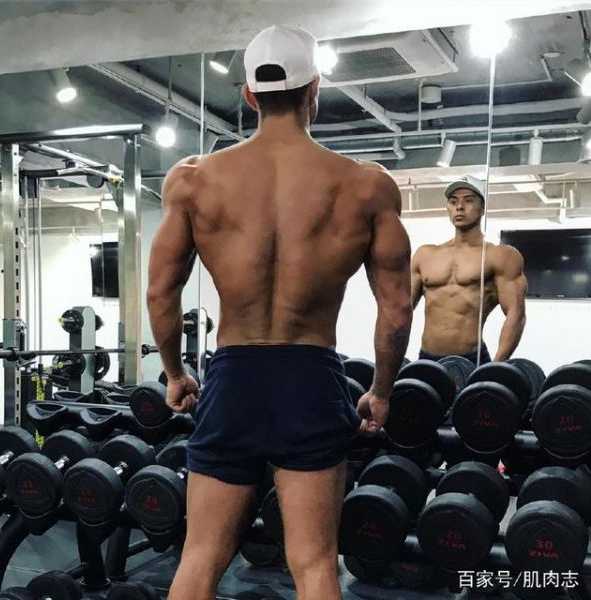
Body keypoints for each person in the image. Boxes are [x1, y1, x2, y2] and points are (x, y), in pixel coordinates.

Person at [147, 25, 412, 600]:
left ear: (248, 95)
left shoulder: (192, 181)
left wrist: (174, 373)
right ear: (315, 89)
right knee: (314, 566)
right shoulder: (366, 186)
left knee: (199, 558)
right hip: (310, 377)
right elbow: (395, 306)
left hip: (233, 376)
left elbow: (161, 292)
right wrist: (382, 391)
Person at [411, 175, 527, 364]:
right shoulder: (425, 255)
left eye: (469, 200)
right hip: (426, 358)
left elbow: (516, 314)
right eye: (453, 201)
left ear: (482, 208)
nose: (459, 206)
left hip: (471, 359)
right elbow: (400, 310)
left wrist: (497, 364)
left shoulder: (500, 256)